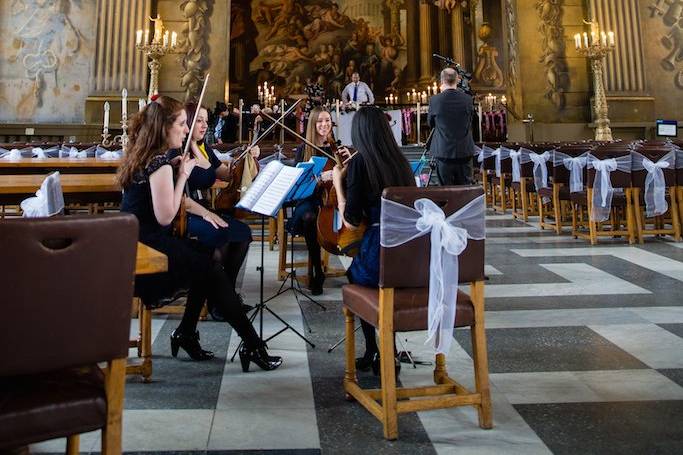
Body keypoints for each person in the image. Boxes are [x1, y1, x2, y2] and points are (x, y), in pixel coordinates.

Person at [118, 95, 281, 372]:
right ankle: (252, 344)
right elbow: (166, 215)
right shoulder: (158, 164)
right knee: (210, 269)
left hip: (140, 238)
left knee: (207, 264)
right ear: (165, 127)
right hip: (145, 245)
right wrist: (182, 174)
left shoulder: (147, 157)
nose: (185, 129)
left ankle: (188, 332)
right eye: (182, 124)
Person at [331, 106, 415, 373]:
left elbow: (351, 220)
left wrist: (337, 184)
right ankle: (379, 350)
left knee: (356, 275)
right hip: (409, 252)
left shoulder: (359, 163)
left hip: (379, 251)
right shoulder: (401, 162)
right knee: (369, 274)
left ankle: (376, 350)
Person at [168, 102, 260, 321]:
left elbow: (226, 174)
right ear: (187, 122)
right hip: (184, 213)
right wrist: (208, 215)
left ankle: (222, 298)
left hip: (204, 209)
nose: (203, 126)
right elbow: (180, 199)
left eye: (206, 121)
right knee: (222, 239)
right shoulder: (177, 149)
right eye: (198, 120)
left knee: (242, 234)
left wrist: (245, 155)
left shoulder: (203, 148)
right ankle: (220, 303)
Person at [286, 107, 335, 295]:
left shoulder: (335, 147)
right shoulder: (304, 149)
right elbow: (298, 182)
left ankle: (354, 264)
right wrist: (320, 178)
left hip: (331, 198)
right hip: (308, 199)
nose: (324, 124)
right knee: (308, 217)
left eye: (328, 120)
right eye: (320, 121)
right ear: (313, 125)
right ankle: (317, 270)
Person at [427, 67, 476, 185]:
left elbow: (431, 123)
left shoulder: (435, 100)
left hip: (443, 152)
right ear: (457, 80)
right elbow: (471, 121)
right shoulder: (468, 99)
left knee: (445, 192)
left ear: (442, 81)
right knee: (466, 192)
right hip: (464, 151)